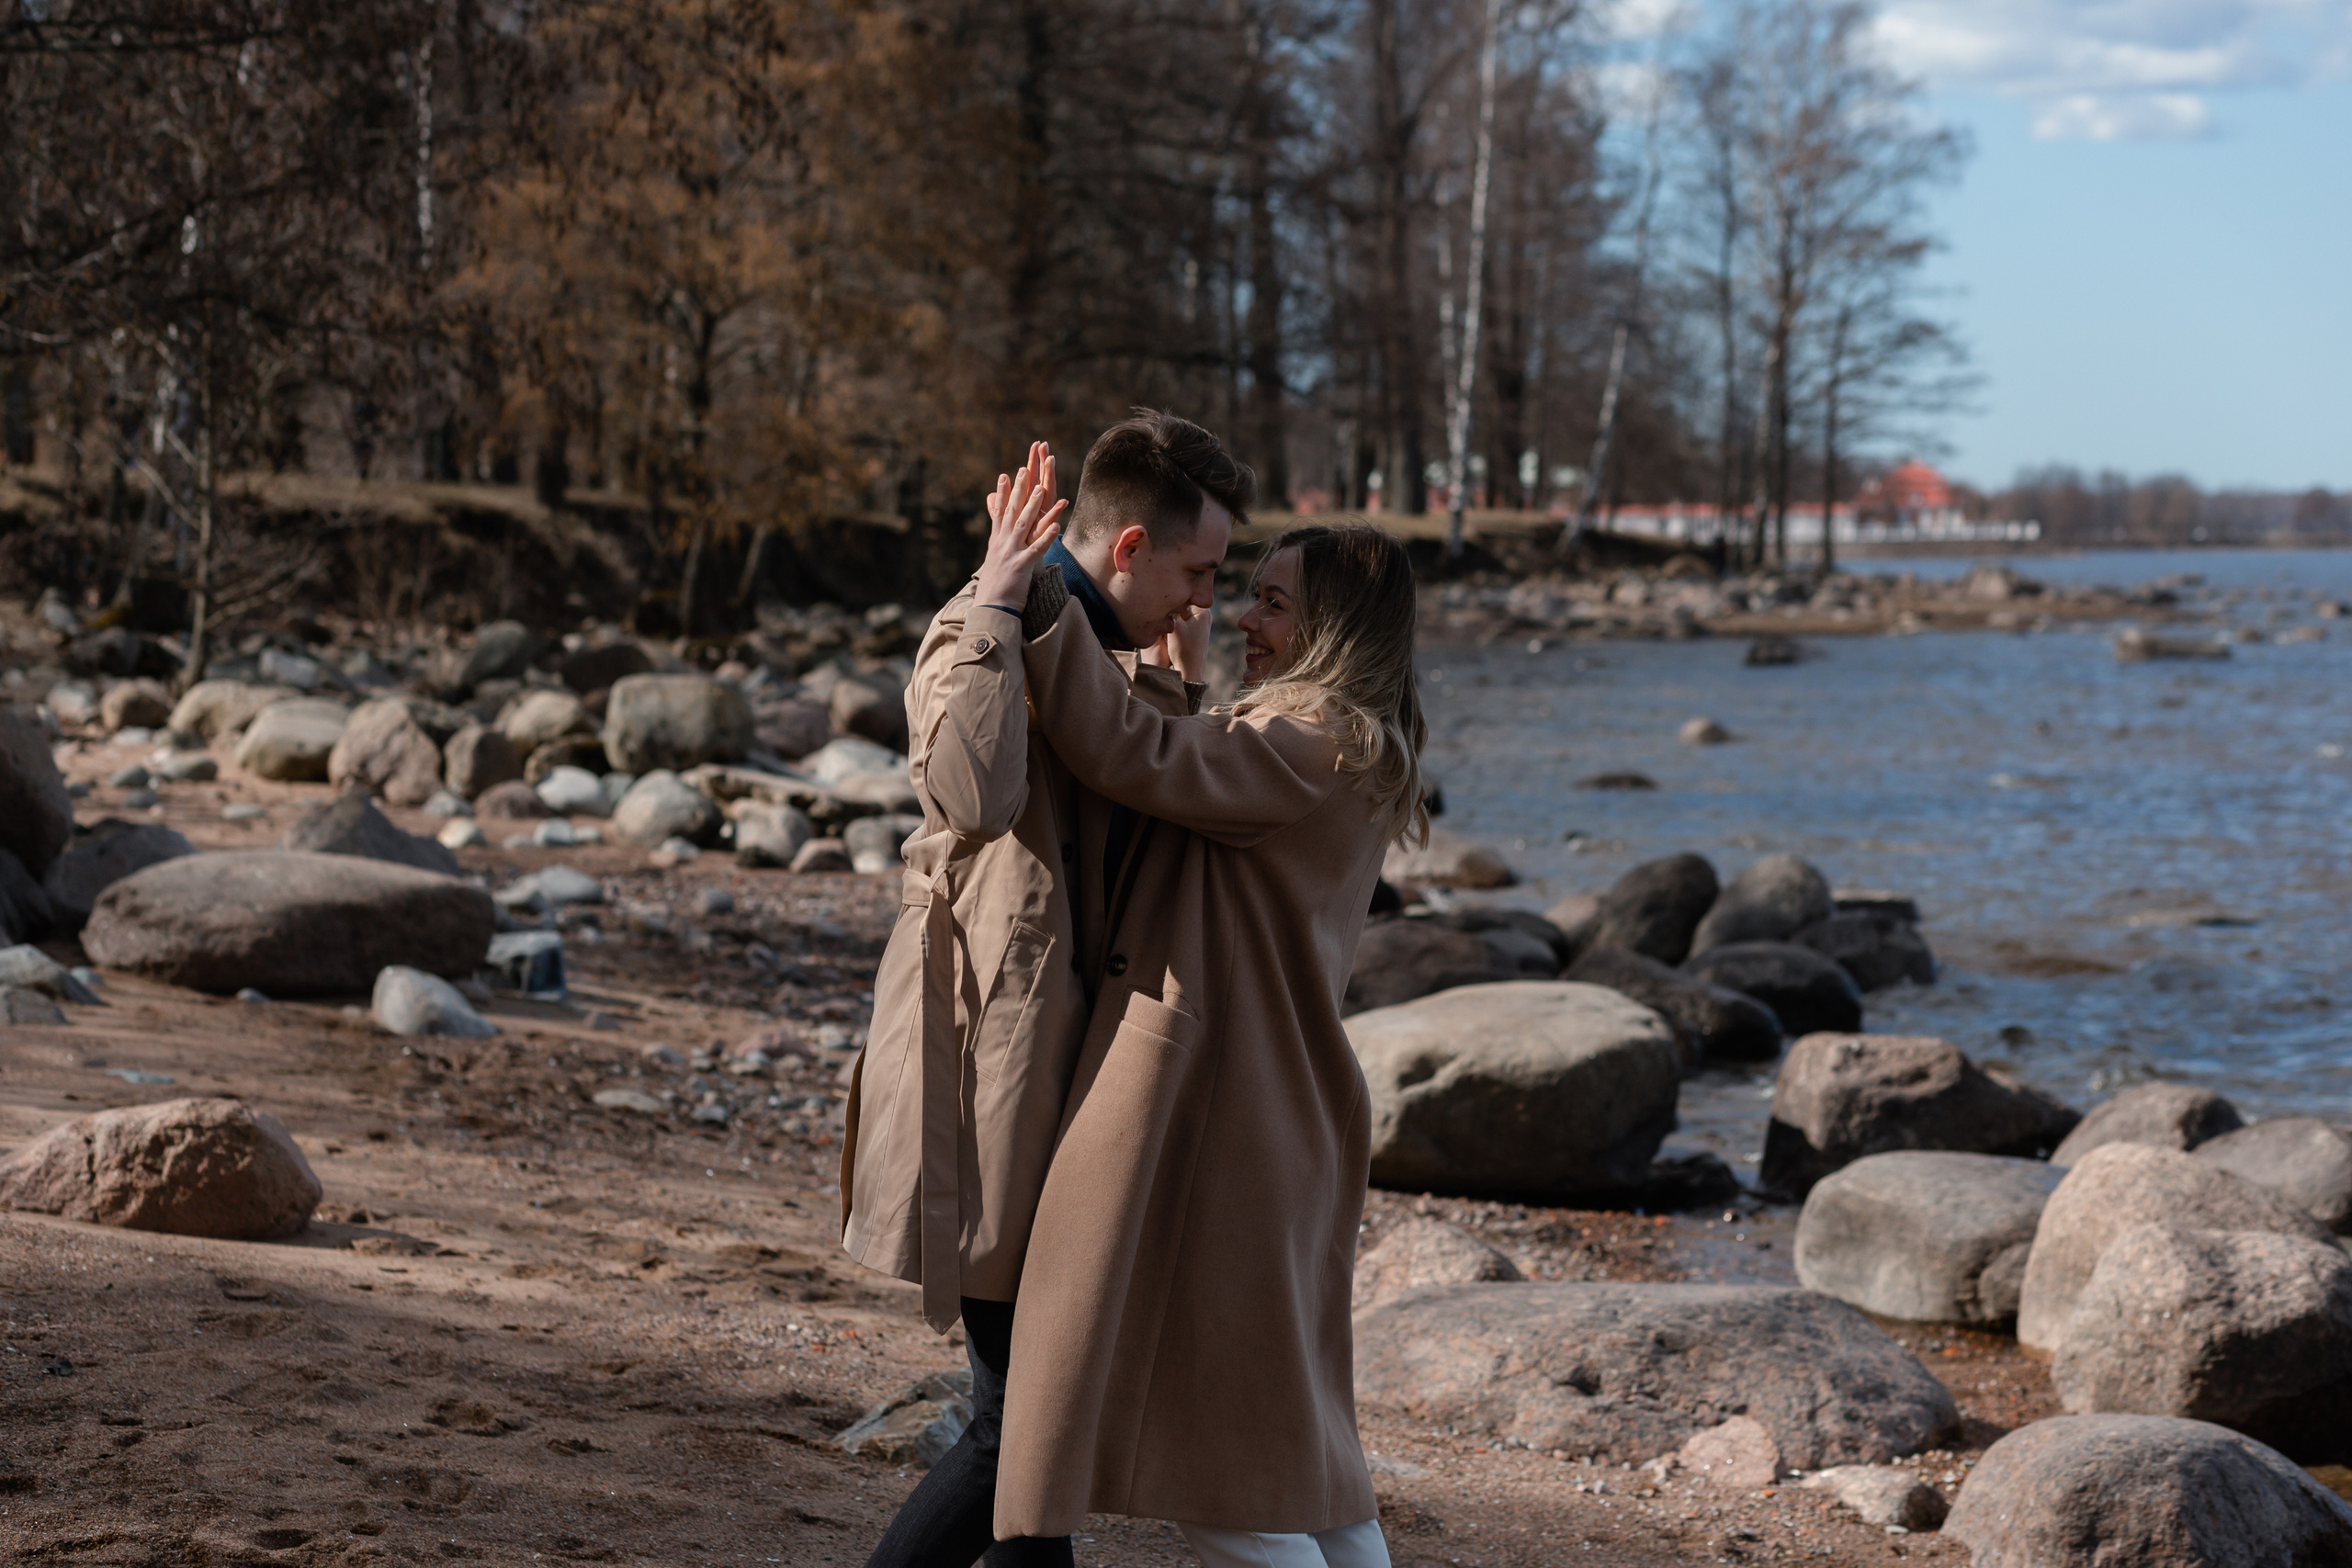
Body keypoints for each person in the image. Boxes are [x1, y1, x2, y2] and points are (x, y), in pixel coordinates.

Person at [839, 413, 1254, 1568]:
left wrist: (1181, 692)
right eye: (1197, 570)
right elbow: (972, 797)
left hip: (1069, 1076)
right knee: (1018, 1426)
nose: (1206, 599)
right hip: (991, 1070)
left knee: (1034, 1426)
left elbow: (1136, 826)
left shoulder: (1105, 653)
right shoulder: (982, 625)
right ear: (1129, 548)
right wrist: (993, 602)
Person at [991, 522, 1430, 1568]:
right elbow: (1193, 777)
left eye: (1274, 602)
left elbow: (1130, 757)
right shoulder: (1345, 742)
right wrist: (1183, 686)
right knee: (1294, 1457)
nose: (1244, 617)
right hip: (1279, 1109)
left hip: (1226, 1121)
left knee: (1225, 1487)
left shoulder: (1303, 742)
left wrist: (1038, 594)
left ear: (1333, 626)